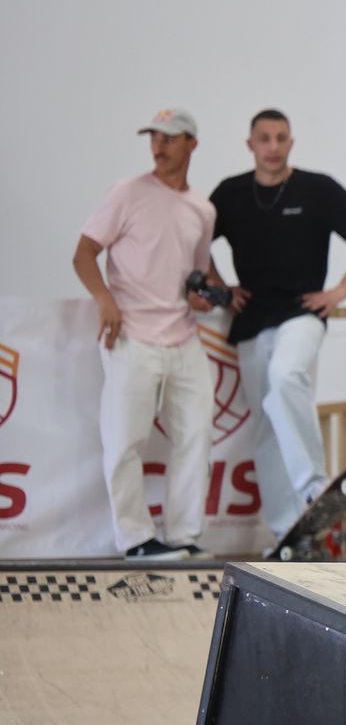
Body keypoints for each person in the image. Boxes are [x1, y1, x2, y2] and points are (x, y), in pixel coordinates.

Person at [210, 109, 346, 539]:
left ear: (291, 143)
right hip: (251, 320)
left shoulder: (316, 188)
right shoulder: (230, 193)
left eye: (280, 138)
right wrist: (220, 288)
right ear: (250, 144)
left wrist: (341, 289)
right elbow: (193, 240)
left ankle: (313, 487)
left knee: (287, 378)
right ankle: (286, 529)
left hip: (303, 312)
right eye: (264, 138)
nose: (272, 146)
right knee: (267, 426)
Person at [70, 108, 219, 560]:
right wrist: (105, 299)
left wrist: (206, 295)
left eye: (170, 138)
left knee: (197, 435)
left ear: (192, 144)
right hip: (131, 334)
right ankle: (135, 539)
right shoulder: (127, 192)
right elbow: (83, 254)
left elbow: (197, 270)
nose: (159, 145)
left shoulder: (202, 208)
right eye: (154, 137)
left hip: (183, 334)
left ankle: (184, 537)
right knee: (125, 438)